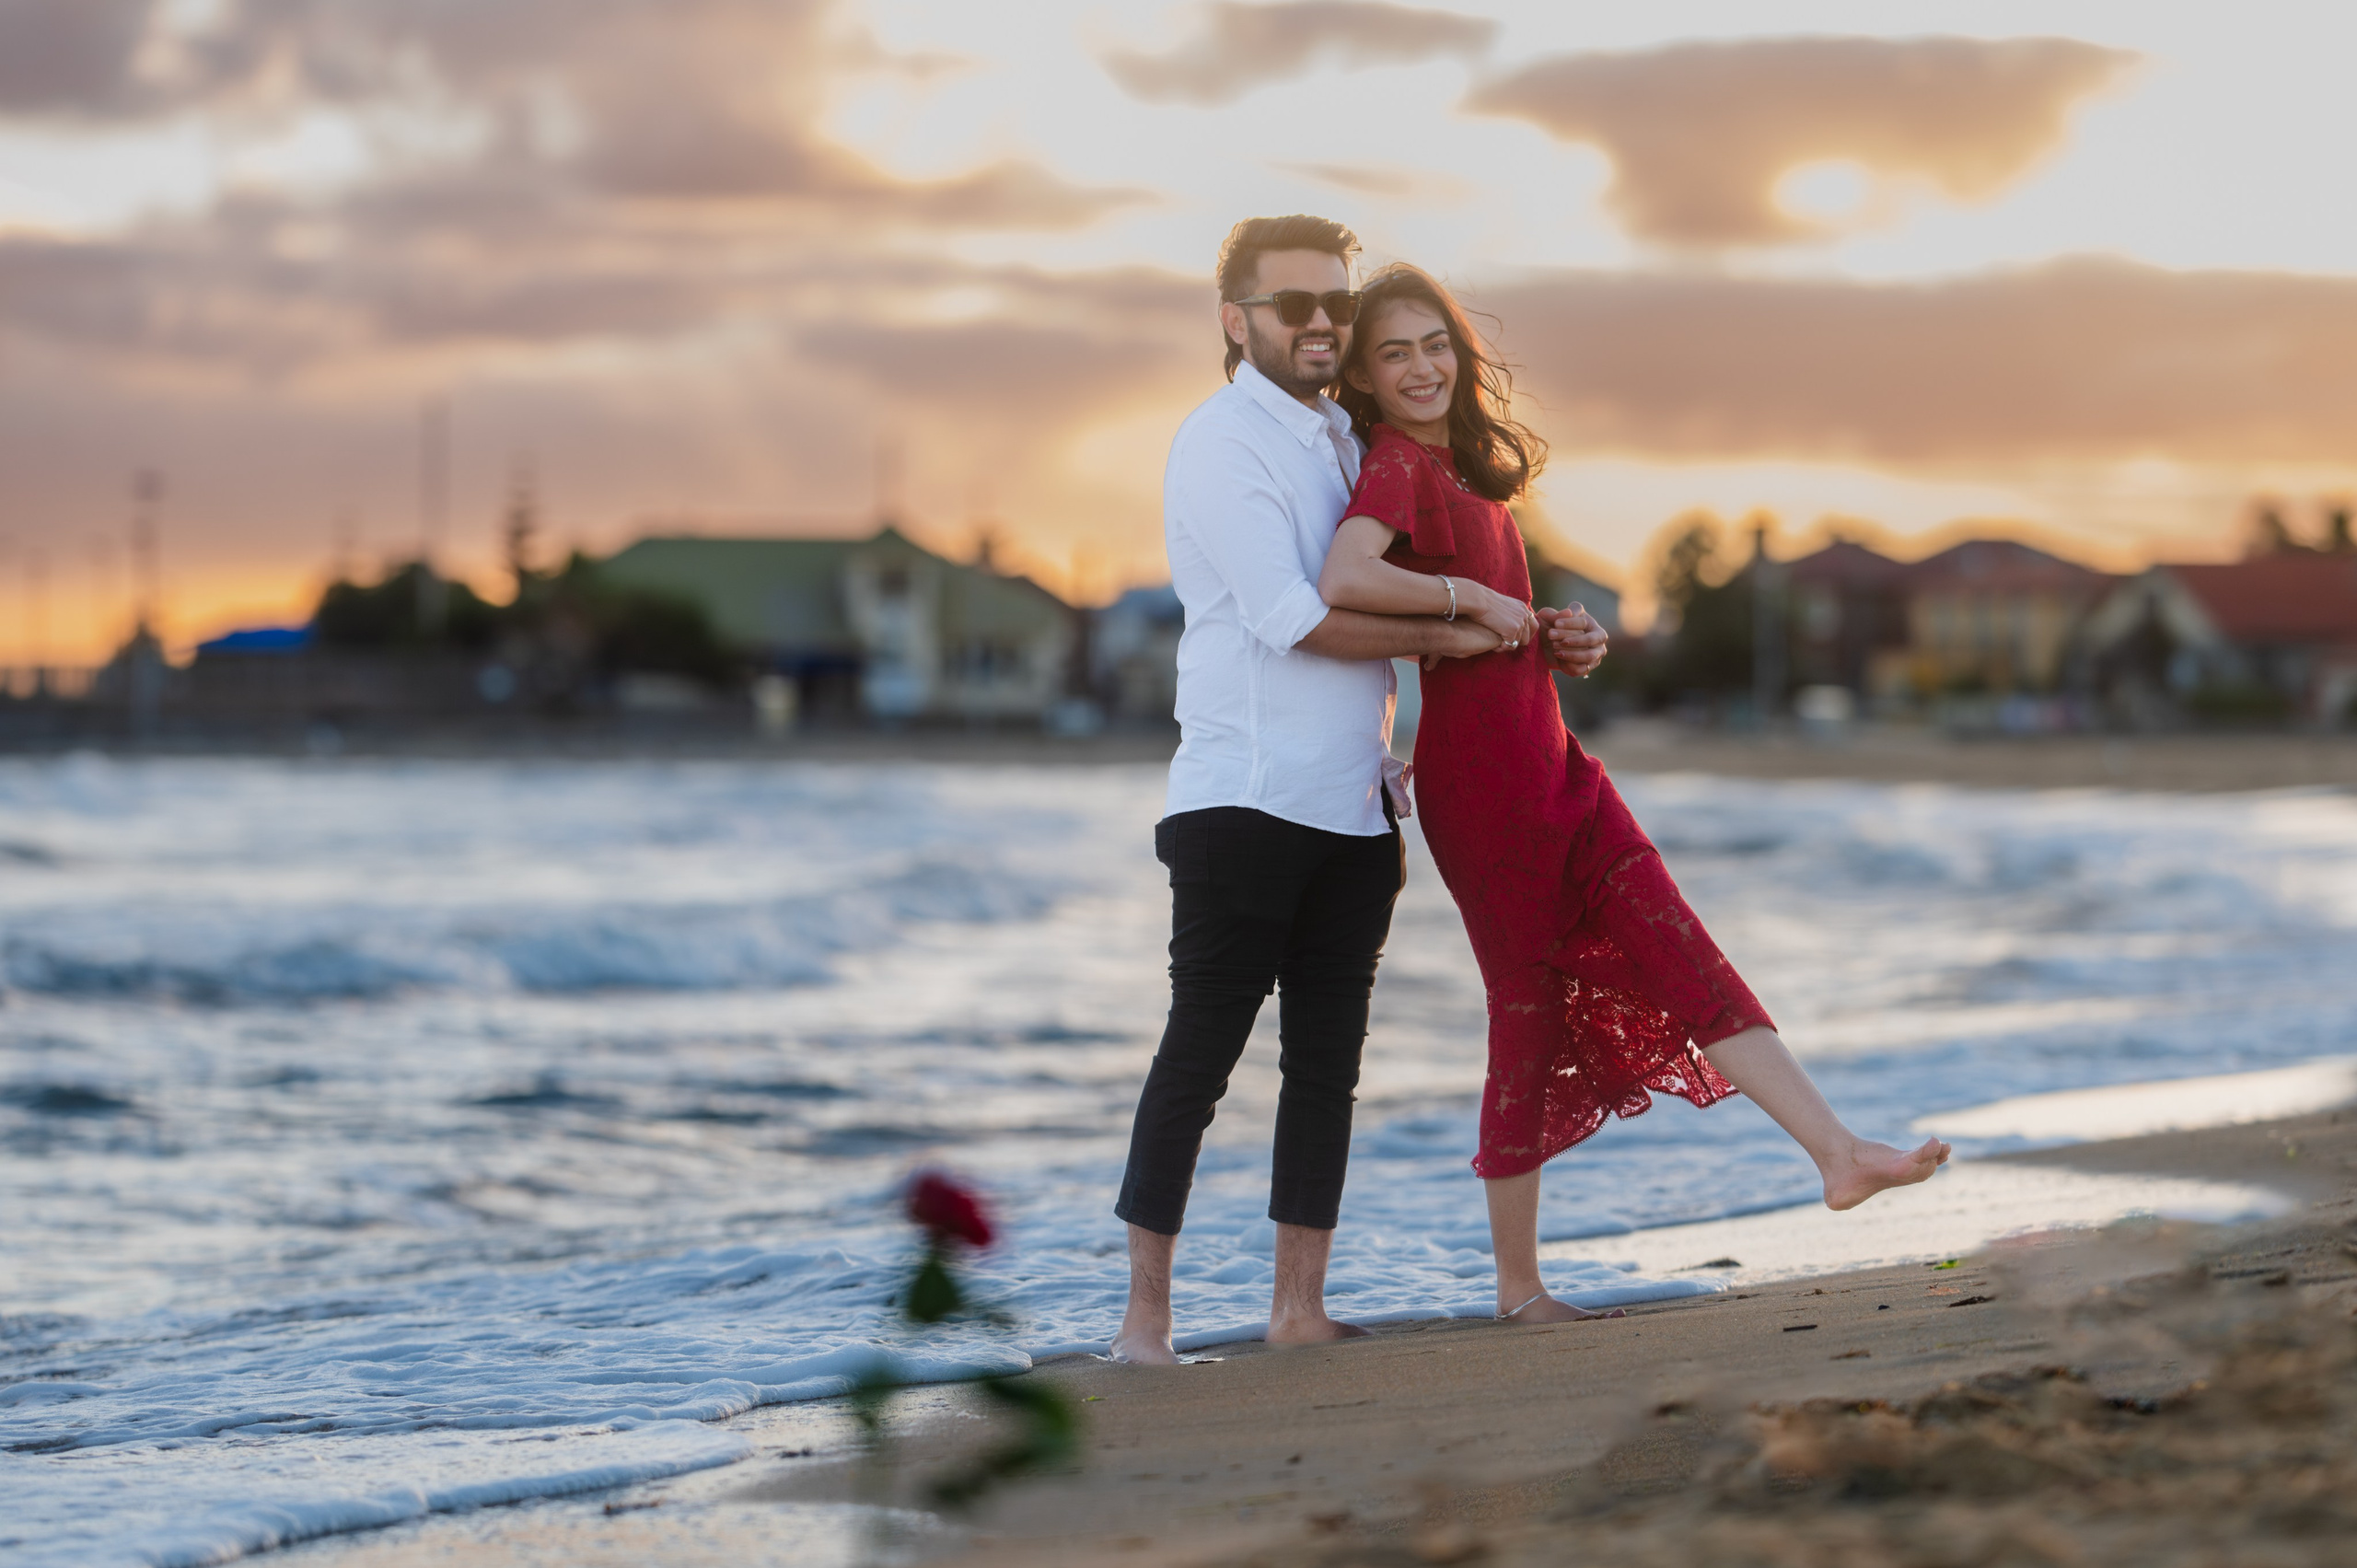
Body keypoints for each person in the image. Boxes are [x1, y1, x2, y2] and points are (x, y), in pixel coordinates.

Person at [1318, 262, 1950, 1324]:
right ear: (1368, 380)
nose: (1422, 366)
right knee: (1523, 1014)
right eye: (1395, 352)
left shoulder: (1464, 471)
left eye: (1435, 344)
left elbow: (1489, 633)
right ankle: (1519, 1289)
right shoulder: (1393, 467)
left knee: (1683, 950)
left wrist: (1569, 637)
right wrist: (1470, 594)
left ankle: (1838, 1151)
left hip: (1555, 762)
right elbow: (1344, 578)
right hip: (1488, 794)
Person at [1109, 218, 1511, 1365]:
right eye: (1294, 306)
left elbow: (1410, 590)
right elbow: (1294, 619)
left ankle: (1297, 1308)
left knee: (1325, 1065)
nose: (1322, 323)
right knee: (1197, 1058)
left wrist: (1498, 621)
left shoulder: (1346, 438)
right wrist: (1462, 613)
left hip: (1353, 807)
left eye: (1333, 303)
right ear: (1235, 322)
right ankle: (1144, 1321)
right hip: (1240, 802)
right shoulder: (1220, 439)